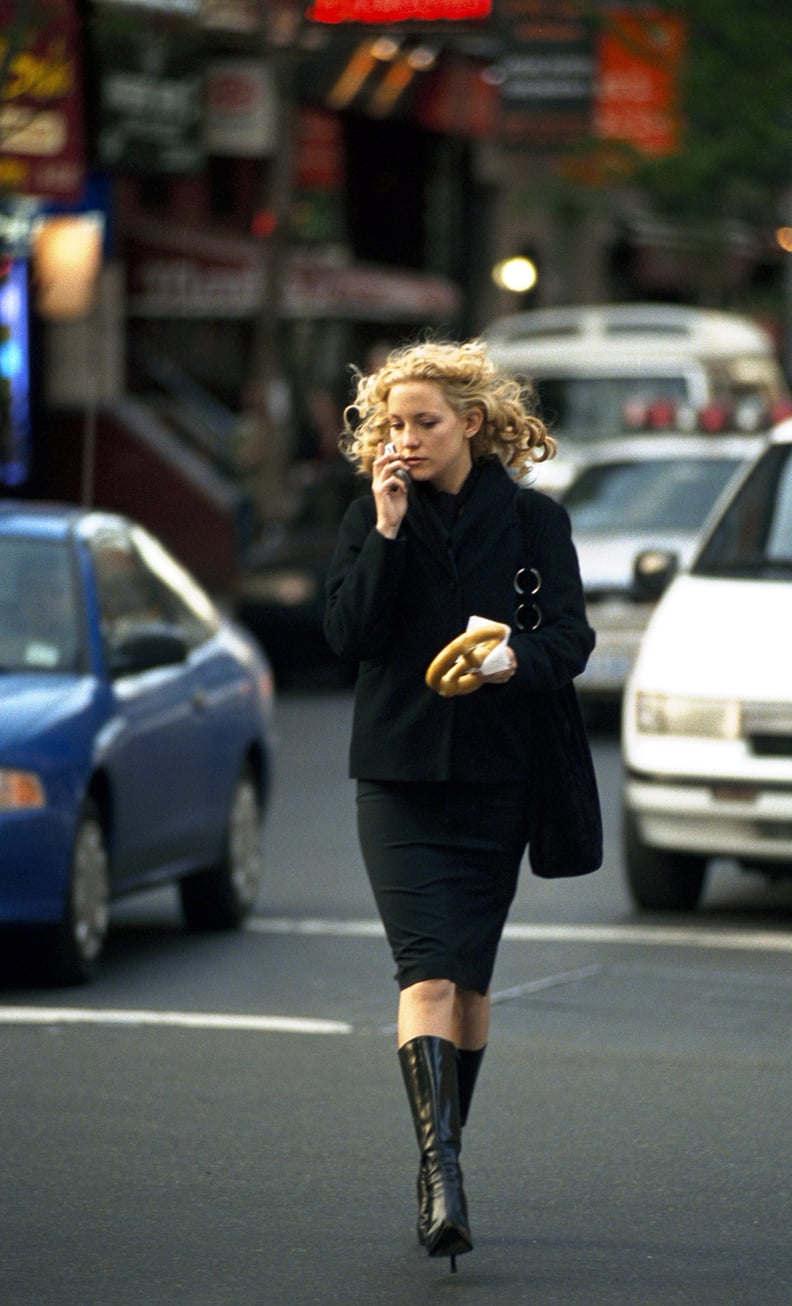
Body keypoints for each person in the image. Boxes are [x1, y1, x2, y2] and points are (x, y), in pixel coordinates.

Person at [323, 338, 596, 1272]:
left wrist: (515, 660)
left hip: (496, 779)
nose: (404, 440)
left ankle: (446, 1154)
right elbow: (347, 635)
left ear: (471, 423)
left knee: (471, 987)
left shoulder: (532, 524)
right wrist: (389, 529)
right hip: (396, 778)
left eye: (423, 423)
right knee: (428, 975)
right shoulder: (373, 515)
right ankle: (442, 1177)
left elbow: (571, 638)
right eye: (392, 424)